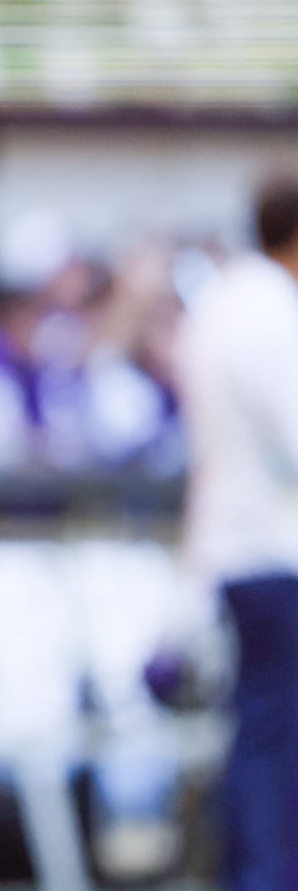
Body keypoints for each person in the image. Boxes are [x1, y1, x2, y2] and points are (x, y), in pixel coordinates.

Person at [174, 174, 298, 891]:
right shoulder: (266, 311)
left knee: (262, 730)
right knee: (273, 738)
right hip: (272, 551)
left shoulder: (225, 301)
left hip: (238, 548)